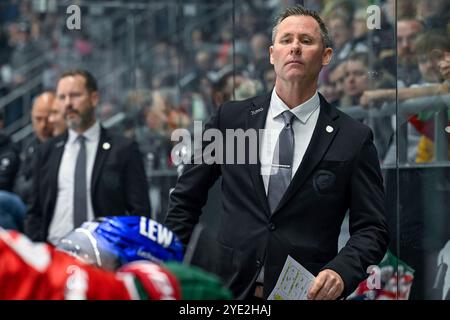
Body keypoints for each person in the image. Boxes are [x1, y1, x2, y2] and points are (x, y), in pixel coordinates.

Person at [165, 5, 389, 300]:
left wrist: (341, 271)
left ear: (326, 56)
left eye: (306, 41)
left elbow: (372, 228)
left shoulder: (353, 138)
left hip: (305, 294)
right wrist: (169, 268)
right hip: (226, 292)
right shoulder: (230, 121)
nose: (295, 47)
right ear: (272, 54)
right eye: (286, 40)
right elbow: (185, 200)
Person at [25, 70, 151, 244]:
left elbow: (140, 211)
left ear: (94, 98)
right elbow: (35, 212)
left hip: (105, 256)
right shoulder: (46, 151)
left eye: (75, 95)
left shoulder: (123, 149)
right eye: (62, 97)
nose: (68, 103)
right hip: (55, 255)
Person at [13, 91, 54, 205]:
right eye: (38, 119)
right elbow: (18, 186)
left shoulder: (65, 145)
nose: (43, 125)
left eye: (48, 119)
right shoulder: (31, 145)